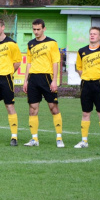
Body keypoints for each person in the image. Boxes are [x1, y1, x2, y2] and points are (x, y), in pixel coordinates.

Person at [23, 19, 64, 147]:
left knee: (53, 107)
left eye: (38, 29)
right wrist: (25, 81)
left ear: (44, 29)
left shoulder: (52, 43)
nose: (36, 32)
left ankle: (59, 138)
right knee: (32, 109)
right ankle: (34, 139)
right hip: (33, 79)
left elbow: (55, 62)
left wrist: (54, 80)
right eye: (34, 29)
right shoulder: (30, 44)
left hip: (47, 78)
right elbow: (28, 63)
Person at [74, 26, 100, 149]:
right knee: (85, 112)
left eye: (95, 34)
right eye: (91, 33)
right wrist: (87, 77)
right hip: (86, 84)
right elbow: (79, 68)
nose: (92, 35)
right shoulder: (81, 51)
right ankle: (84, 141)